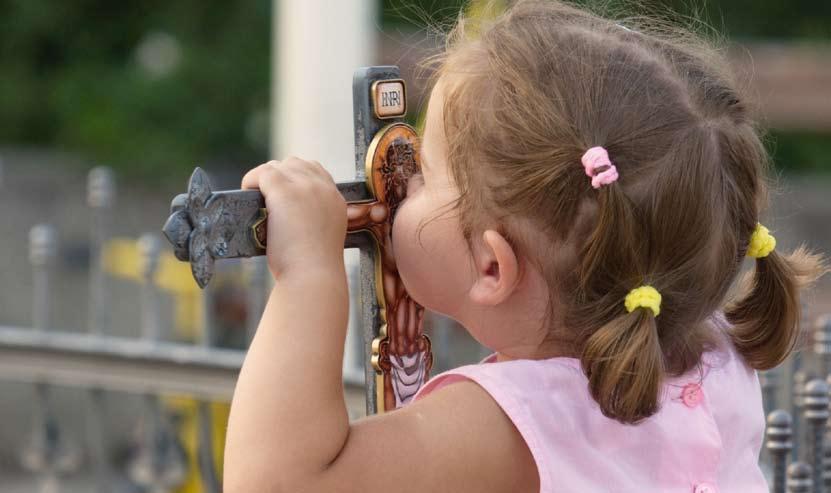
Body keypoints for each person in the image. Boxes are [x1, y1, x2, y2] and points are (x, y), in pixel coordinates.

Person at [223, 1, 827, 491]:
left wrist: (308, 276)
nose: (398, 181)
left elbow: (277, 481)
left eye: (426, 174)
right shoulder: (721, 359)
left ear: (492, 266)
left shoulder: (514, 424)